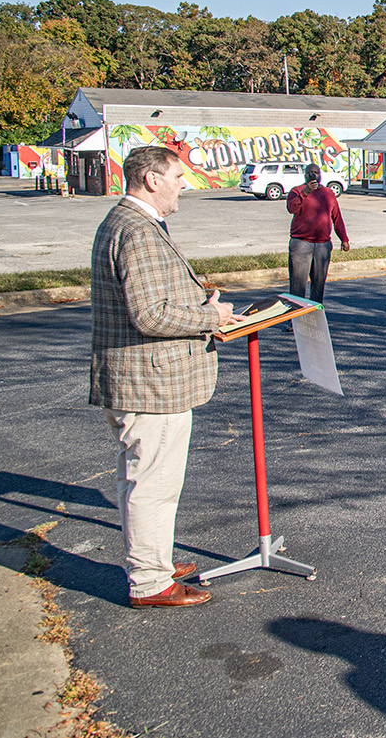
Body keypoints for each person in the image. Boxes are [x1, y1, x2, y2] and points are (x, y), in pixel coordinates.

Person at [90, 146, 242, 608]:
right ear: (152, 179)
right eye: (177, 176)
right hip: (150, 384)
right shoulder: (138, 231)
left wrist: (199, 303)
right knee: (153, 484)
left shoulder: (128, 221)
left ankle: (152, 559)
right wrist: (211, 316)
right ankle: (150, 581)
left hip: (139, 378)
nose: (183, 184)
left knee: (141, 479)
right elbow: (151, 315)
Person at [286, 163, 350, 304]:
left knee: (318, 286)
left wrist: (344, 238)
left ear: (320, 175)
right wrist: (305, 192)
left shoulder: (328, 193)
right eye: (310, 172)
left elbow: (337, 217)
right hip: (301, 243)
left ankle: (314, 316)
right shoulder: (296, 191)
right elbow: (291, 208)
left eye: (316, 172)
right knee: (297, 287)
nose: (313, 175)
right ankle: (296, 316)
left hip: (322, 245)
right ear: (305, 175)